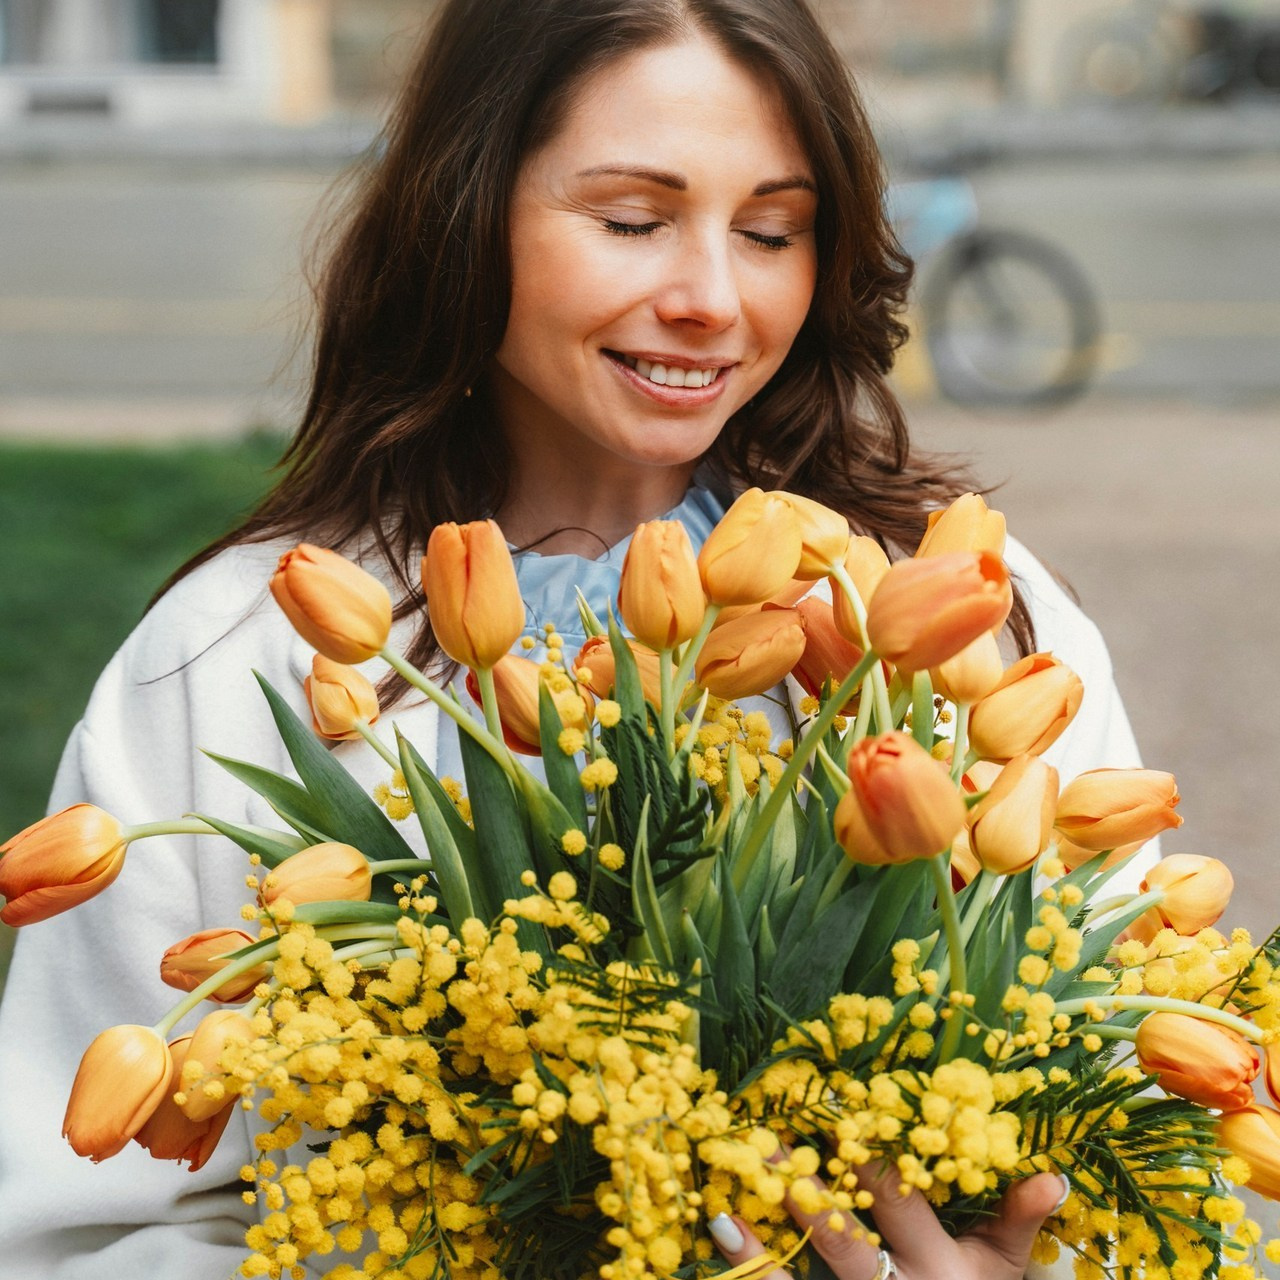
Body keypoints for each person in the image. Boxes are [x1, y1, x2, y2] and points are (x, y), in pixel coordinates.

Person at [0, 2, 1152, 1277]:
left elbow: (1108, 1118)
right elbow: (77, 1226)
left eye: (771, 231)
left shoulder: (961, 612)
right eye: (630, 222)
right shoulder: (237, 656)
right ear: (465, 212)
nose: (712, 297)